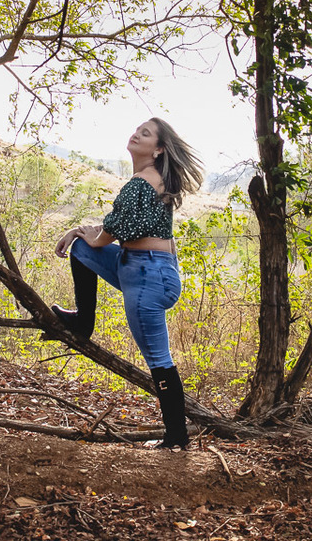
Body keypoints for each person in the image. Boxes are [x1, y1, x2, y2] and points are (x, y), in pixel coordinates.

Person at [52, 118, 204, 450]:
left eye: (146, 134)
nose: (136, 134)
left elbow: (114, 229)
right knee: (80, 249)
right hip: (138, 266)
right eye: (137, 130)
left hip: (147, 277)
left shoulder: (144, 182)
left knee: (159, 361)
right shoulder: (149, 181)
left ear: (159, 148)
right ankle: (83, 321)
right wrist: (82, 234)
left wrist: (90, 235)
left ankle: (176, 439)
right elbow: (120, 229)